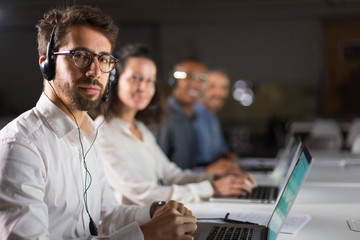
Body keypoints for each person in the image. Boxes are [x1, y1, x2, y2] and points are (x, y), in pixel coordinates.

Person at [0, 5, 196, 239]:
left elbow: (108, 215)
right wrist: (144, 235)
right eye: (80, 56)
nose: (95, 71)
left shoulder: (88, 134)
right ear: (47, 64)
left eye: (103, 59)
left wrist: (154, 212)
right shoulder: (20, 146)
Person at [91, 43, 255, 206]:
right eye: (135, 78)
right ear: (114, 80)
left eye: (150, 81)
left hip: (158, 221)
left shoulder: (140, 129)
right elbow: (144, 194)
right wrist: (211, 188)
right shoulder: (103, 133)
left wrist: (218, 179)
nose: (143, 87)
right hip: (136, 227)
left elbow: (173, 176)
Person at [154, 59, 254, 177]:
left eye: (202, 79)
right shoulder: (163, 118)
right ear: (174, 81)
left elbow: (189, 167)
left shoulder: (190, 117)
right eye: (189, 77)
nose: (196, 84)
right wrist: (207, 171)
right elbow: (162, 176)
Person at [193, 70, 237, 174]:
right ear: (200, 88)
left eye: (224, 88)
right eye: (212, 87)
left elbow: (220, 151)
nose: (219, 93)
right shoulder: (190, 117)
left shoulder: (213, 118)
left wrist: (227, 157)